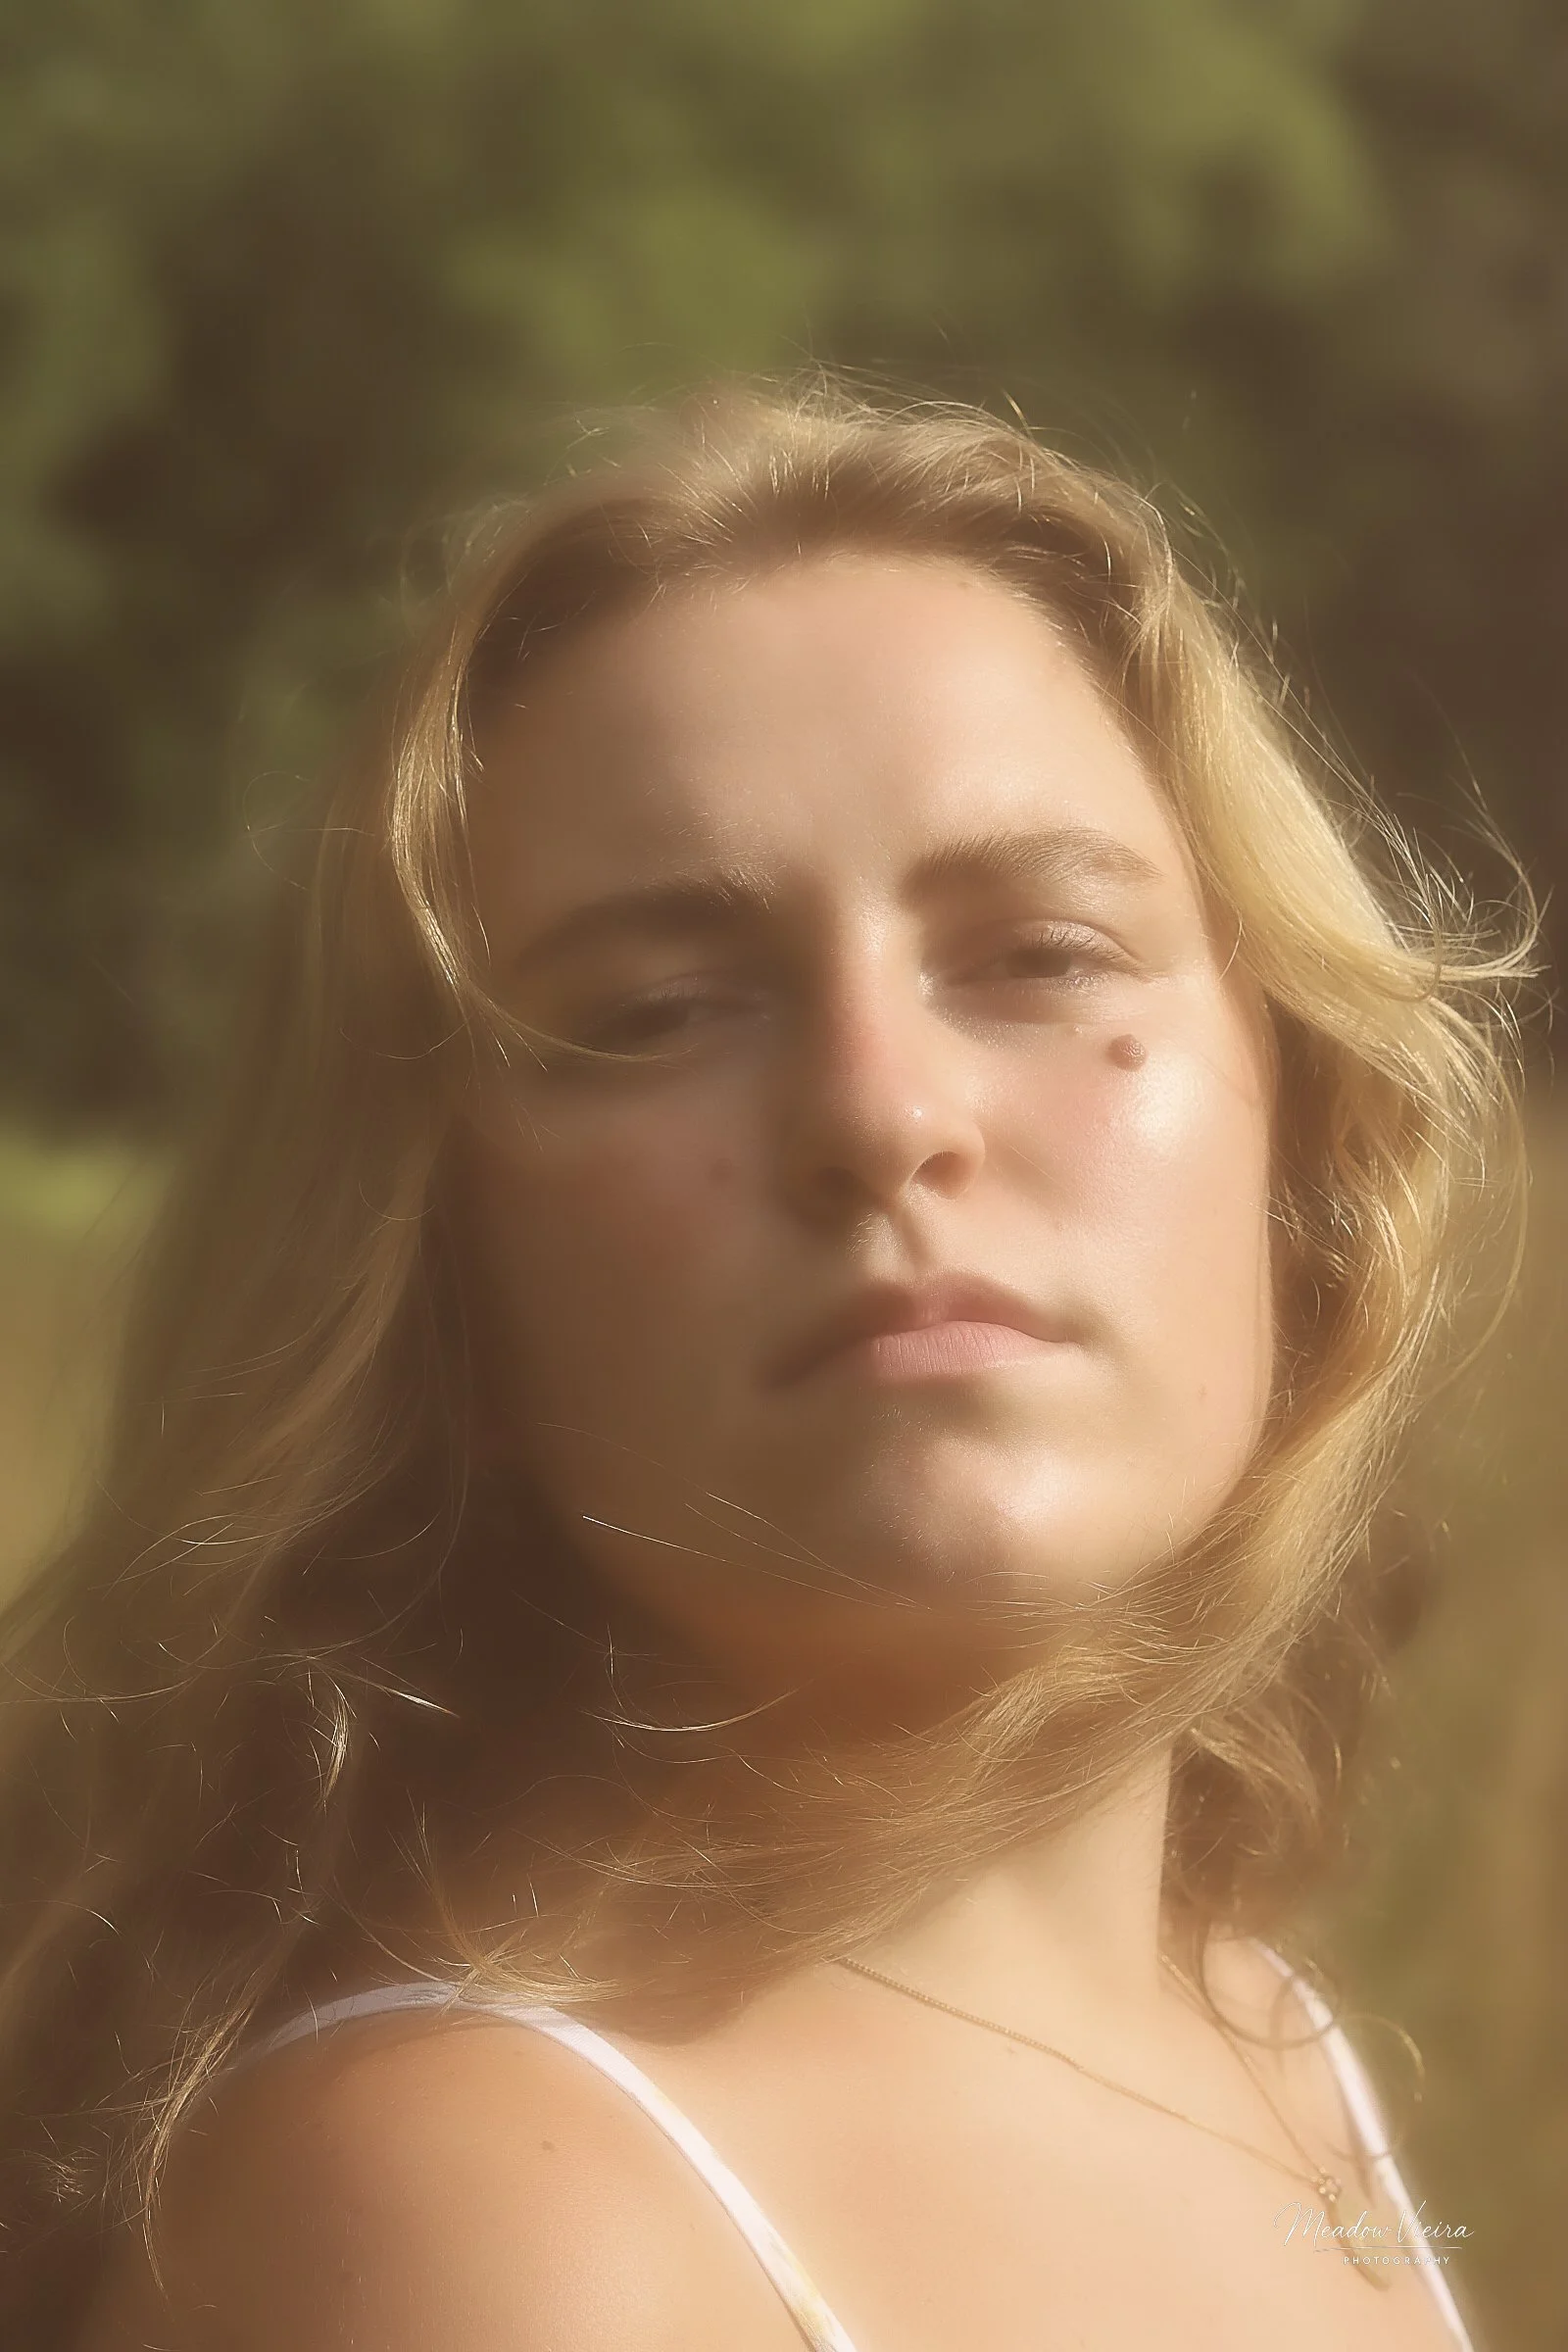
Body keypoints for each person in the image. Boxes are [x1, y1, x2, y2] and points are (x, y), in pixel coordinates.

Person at [0, 381, 1532, 2350]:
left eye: (1041, 953)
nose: (880, 1114)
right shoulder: (479, 2222)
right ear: (441, 1280)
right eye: (656, 1010)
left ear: (1303, 1140)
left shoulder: (1265, 2044)